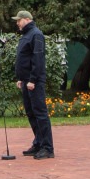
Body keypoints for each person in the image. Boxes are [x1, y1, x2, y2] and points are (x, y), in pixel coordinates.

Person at [14, 10, 54, 159]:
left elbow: (38, 60)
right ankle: (38, 143)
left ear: (26, 19)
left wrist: (32, 80)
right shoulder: (26, 35)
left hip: (34, 82)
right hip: (26, 81)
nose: (17, 23)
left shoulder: (36, 34)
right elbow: (24, 58)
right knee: (31, 113)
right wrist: (21, 78)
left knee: (40, 113)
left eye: (19, 20)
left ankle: (47, 148)